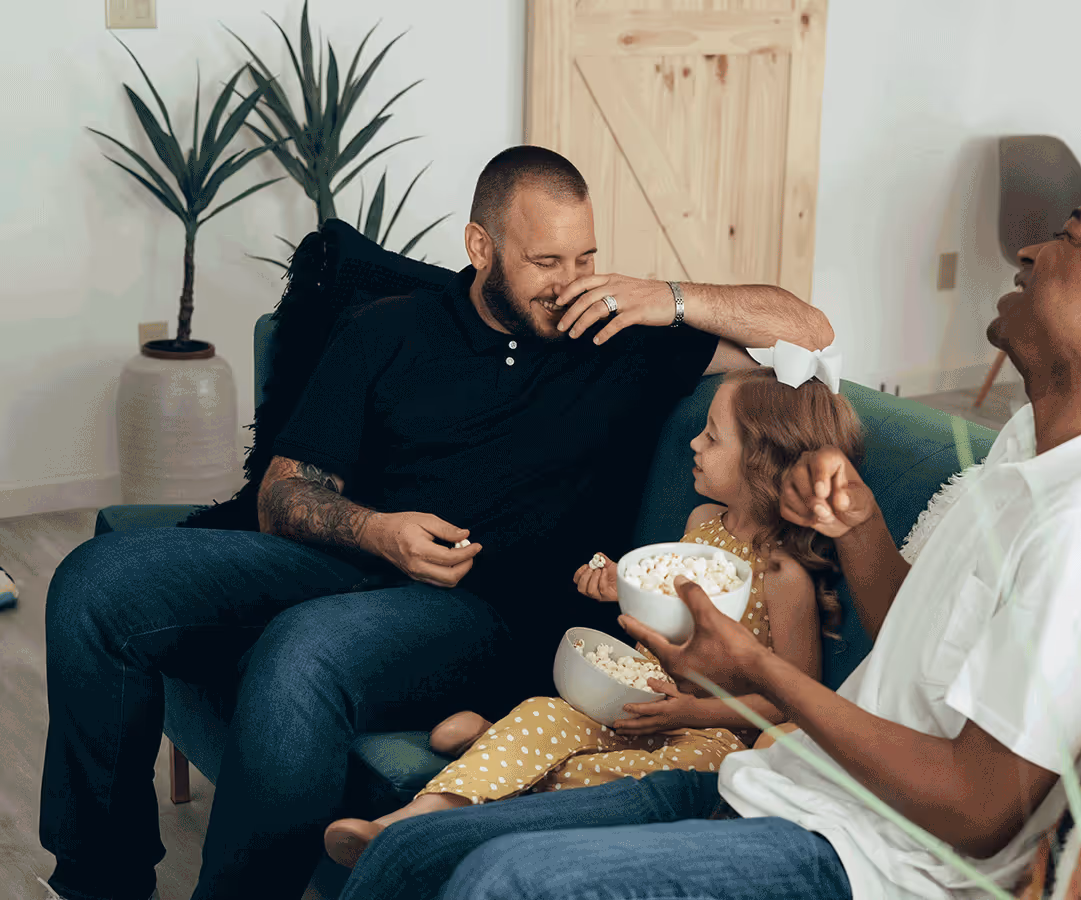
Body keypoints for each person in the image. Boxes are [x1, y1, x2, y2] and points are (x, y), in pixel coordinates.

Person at [333, 191, 1081, 900]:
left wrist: (760, 675)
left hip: (862, 860)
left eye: (1068, 232)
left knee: (506, 883)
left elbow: (982, 810)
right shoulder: (1029, 449)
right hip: (780, 784)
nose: (1028, 247)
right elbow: (917, 645)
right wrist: (858, 529)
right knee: (422, 841)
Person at [38, 145, 833, 900]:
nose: (570, 283)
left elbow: (809, 332)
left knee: (304, 648)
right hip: (349, 558)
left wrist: (672, 297)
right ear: (480, 246)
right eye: (545, 262)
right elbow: (284, 496)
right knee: (96, 581)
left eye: (584, 258)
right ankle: (98, 881)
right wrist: (375, 531)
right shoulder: (388, 330)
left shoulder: (623, 340)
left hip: (490, 614)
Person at [321, 364, 865, 867]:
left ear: (760, 462)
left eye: (712, 436)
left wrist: (691, 715)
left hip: (710, 733)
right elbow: (668, 608)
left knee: (643, 778)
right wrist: (621, 587)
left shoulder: (782, 575)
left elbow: (793, 702)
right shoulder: (703, 522)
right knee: (546, 711)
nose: (694, 443)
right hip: (632, 701)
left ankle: (492, 752)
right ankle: (398, 825)